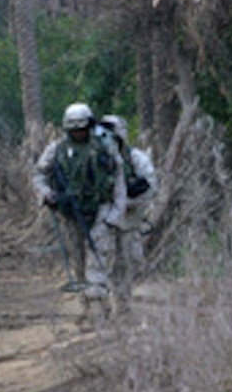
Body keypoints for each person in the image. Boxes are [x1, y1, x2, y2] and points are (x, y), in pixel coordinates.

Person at [32, 103, 127, 326]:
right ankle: (89, 306)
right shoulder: (56, 149)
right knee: (79, 262)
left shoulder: (105, 147)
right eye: (73, 129)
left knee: (98, 259)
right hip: (71, 214)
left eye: (82, 128)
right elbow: (39, 174)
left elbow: (119, 181)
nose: (78, 133)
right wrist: (47, 194)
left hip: (101, 210)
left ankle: (98, 312)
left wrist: (115, 214)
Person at [99, 115, 158, 315]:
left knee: (126, 260)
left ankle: (122, 303)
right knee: (102, 261)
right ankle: (100, 304)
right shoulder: (97, 160)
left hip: (129, 220)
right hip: (103, 220)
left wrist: (127, 203)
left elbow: (149, 187)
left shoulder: (137, 159)